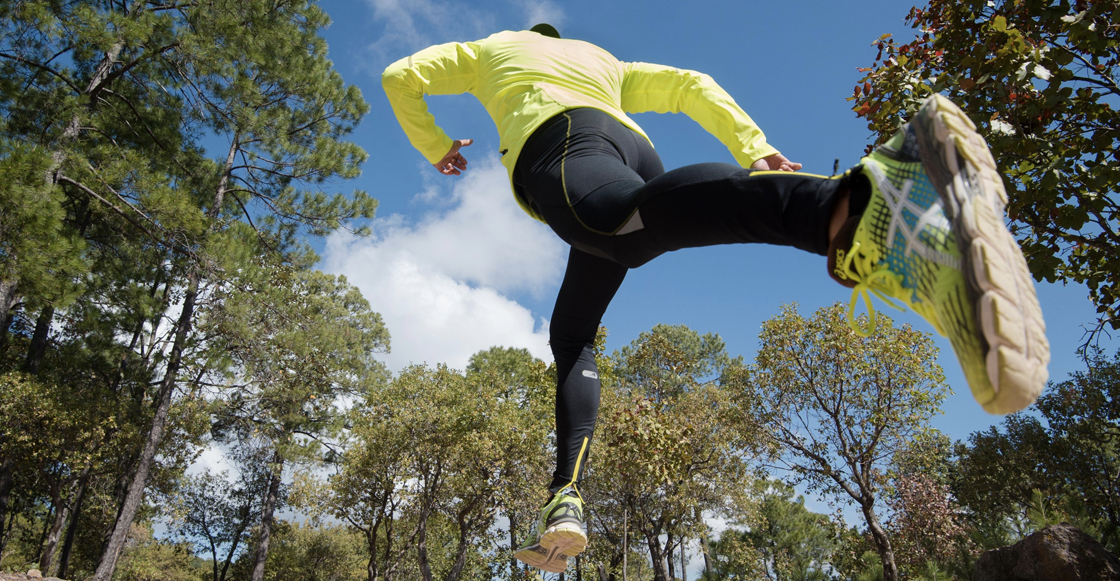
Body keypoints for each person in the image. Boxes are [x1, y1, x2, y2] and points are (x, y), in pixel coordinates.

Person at [382, 23, 1049, 573]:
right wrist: (752, 145)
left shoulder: (494, 49)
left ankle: (852, 206)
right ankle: (566, 495)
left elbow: (399, 77)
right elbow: (690, 86)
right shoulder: (601, 60)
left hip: (558, 144)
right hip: (632, 151)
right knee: (573, 330)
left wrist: (437, 144)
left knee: (616, 227)